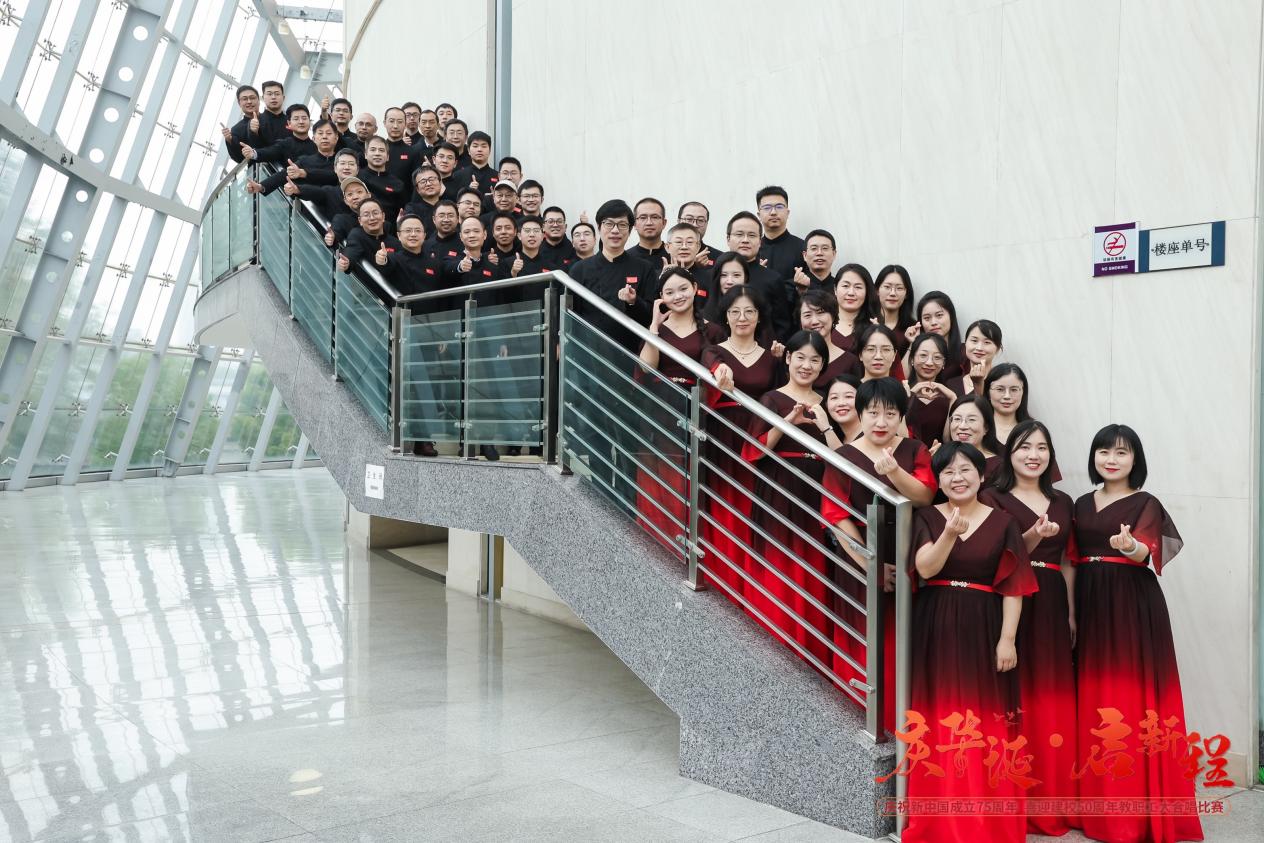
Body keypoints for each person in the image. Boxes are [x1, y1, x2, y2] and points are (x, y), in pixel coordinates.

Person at [1071, 425, 1202, 843]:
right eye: (1104, 451)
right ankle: (1098, 807)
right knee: (1094, 700)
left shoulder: (1146, 502)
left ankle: (1133, 813)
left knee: (1130, 701)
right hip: (1089, 602)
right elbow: (1070, 560)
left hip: (1131, 604)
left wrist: (1129, 547)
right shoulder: (1080, 503)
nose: (1111, 459)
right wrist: (1070, 614)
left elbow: (1149, 552)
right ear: (1093, 457)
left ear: (1135, 460)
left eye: (1122, 453)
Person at [903, 440, 1036, 843]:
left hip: (985, 623)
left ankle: (986, 822)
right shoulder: (927, 516)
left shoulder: (1004, 522)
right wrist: (948, 535)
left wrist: (1007, 640)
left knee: (985, 719)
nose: (957, 478)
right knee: (939, 716)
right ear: (938, 480)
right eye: (948, 472)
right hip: (937, 622)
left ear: (981, 476)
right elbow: (925, 568)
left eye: (965, 470)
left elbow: (1014, 586)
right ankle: (939, 821)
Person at [821, 378, 935, 728]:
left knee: (904, 638)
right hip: (859, 555)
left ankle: (900, 719)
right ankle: (856, 716)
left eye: (890, 413)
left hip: (907, 552)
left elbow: (925, 496)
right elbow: (835, 514)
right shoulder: (844, 456)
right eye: (873, 413)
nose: (881, 422)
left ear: (901, 416)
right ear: (860, 414)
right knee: (862, 634)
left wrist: (895, 473)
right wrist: (870, 565)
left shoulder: (914, 449)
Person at [981, 419, 1076, 836]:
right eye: (1023, 447)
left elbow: (1068, 561)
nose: (1033, 455)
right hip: (1007, 598)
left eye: (1041, 448)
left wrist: (1072, 614)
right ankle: (1009, 800)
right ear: (1009, 454)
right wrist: (1033, 535)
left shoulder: (1064, 502)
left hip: (1051, 599)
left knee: (1048, 695)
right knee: (1010, 692)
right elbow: (1000, 553)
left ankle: (1047, 798)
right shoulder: (992, 497)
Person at [741, 331, 833, 665]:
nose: (807, 365)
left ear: (823, 365)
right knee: (778, 564)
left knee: (814, 567)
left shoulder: (829, 401)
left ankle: (810, 652)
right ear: (789, 358)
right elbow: (752, 451)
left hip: (817, 489)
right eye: (801, 357)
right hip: (779, 487)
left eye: (815, 360)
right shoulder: (772, 399)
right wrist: (788, 422)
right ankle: (773, 646)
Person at [700, 285, 780, 598]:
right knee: (724, 509)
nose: (742, 317)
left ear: (759, 316)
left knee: (754, 512)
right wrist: (720, 371)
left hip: (758, 440)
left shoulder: (773, 358)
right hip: (723, 438)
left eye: (749, 311)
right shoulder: (715, 351)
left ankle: (751, 588)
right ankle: (723, 583)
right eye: (735, 311)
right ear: (726, 316)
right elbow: (713, 367)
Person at [634, 267, 708, 550]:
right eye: (669, 292)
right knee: (658, 477)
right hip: (660, 408)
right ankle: (658, 542)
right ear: (661, 297)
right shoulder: (658, 330)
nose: (678, 296)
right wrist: (654, 326)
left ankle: (687, 544)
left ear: (695, 288)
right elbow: (646, 367)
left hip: (696, 408)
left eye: (683, 289)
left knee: (689, 480)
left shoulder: (711, 329)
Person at [726, 212, 793, 341]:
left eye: (752, 235)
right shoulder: (716, 275)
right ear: (728, 239)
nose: (745, 240)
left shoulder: (773, 279)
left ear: (760, 241)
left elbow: (782, 326)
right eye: (739, 234)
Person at [247, 119, 339, 195]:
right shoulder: (305, 161)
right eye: (320, 133)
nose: (324, 137)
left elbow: (335, 176)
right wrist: (261, 186)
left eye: (329, 133)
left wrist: (304, 173)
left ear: (336, 137)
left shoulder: (343, 159)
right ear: (314, 139)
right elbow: (283, 175)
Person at [797, 290, 859, 389]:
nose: (814, 321)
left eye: (820, 313)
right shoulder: (792, 359)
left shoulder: (850, 361)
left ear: (833, 316)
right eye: (807, 315)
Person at [904, 333, 955, 447]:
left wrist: (953, 399)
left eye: (937, 357)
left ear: (943, 363)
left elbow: (948, 440)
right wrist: (910, 395)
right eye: (923, 355)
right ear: (912, 359)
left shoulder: (949, 396)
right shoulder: (901, 391)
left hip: (939, 455)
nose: (929, 363)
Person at [944, 394, 1002, 482]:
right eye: (957, 419)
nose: (962, 426)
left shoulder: (998, 467)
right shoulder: (942, 460)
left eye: (971, 420)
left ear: (986, 427)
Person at [908, 290, 964, 380]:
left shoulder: (964, 352)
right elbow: (903, 378)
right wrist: (913, 343)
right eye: (927, 318)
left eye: (939, 315)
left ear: (951, 316)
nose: (933, 322)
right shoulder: (916, 351)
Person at [756, 185, 806, 281]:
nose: (773, 212)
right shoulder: (752, 249)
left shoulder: (802, 248)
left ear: (787, 213)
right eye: (767, 208)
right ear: (759, 215)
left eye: (779, 207)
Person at [241, 103, 314, 163]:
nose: (301, 122)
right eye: (296, 119)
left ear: (309, 121)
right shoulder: (285, 144)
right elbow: (269, 152)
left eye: (304, 118)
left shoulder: (317, 145)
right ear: (289, 123)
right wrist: (253, 153)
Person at [357, 136, 406, 218]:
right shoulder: (357, 178)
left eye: (381, 150)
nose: (377, 153)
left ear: (387, 157)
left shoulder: (397, 184)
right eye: (373, 150)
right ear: (365, 154)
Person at [875, 264, 915, 363]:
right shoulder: (865, 323)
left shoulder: (914, 329)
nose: (892, 293)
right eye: (887, 287)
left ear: (907, 294)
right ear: (877, 290)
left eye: (899, 288)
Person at [832, 263, 876, 352]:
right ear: (835, 289)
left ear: (867, 292)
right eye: (845, 286)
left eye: (858, 287)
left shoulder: (874, 327)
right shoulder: (822, 324)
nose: (851, 293)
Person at [982, 362, 1027, 446]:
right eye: (1000, 389)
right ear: (988, 393)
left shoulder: (1032, 430)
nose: (1007, 396)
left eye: (1014, 390)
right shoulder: (978, 428)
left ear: (1023, 392)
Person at [962, 319, 1003, 394]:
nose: (979, 348)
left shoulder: (1004, 381)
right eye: (974, 341)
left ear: (997, 349)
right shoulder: (952, 383)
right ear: (965, 343)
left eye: (987, 342)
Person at [221, 84, 259, 163]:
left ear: (258, 100)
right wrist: (230, 140)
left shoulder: (269, 117)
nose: (249, 101)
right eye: (245, 99)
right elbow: (239, 159)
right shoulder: (236, 130)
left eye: (252, 98)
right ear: (239, 103)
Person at [403, 166, 445, 237]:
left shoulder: (449, 207)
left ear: (440, 183)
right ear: (417, 189)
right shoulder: (412, 209)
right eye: (423, 181)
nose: (428, 184)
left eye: (431, 179)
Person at [793, 229, 837, 295]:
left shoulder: (839, 287)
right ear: (805, 255)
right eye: (814, 248)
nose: (819, 253)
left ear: (834, 254)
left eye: (825, 248)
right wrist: (801, 291)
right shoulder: (792, 286)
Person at [626, 197, 669, 264]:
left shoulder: (675, 255)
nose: (649, 223)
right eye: (643, 217)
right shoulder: (626, 258)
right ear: (634, 224)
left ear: (664, 223)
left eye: (655, 217)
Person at [823, 374, 862, 443]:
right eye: (834, 397)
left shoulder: (873, 434)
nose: (841, 403)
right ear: (826, 404)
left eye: (848, 396)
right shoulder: (836, 438)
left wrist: (827, 429)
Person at [678, 201, 721, 265]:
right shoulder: (665, 254)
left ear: (706, 224)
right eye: (689, 219)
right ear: (679, 221)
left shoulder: (719, 258)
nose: (695, 225)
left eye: (700, 220)